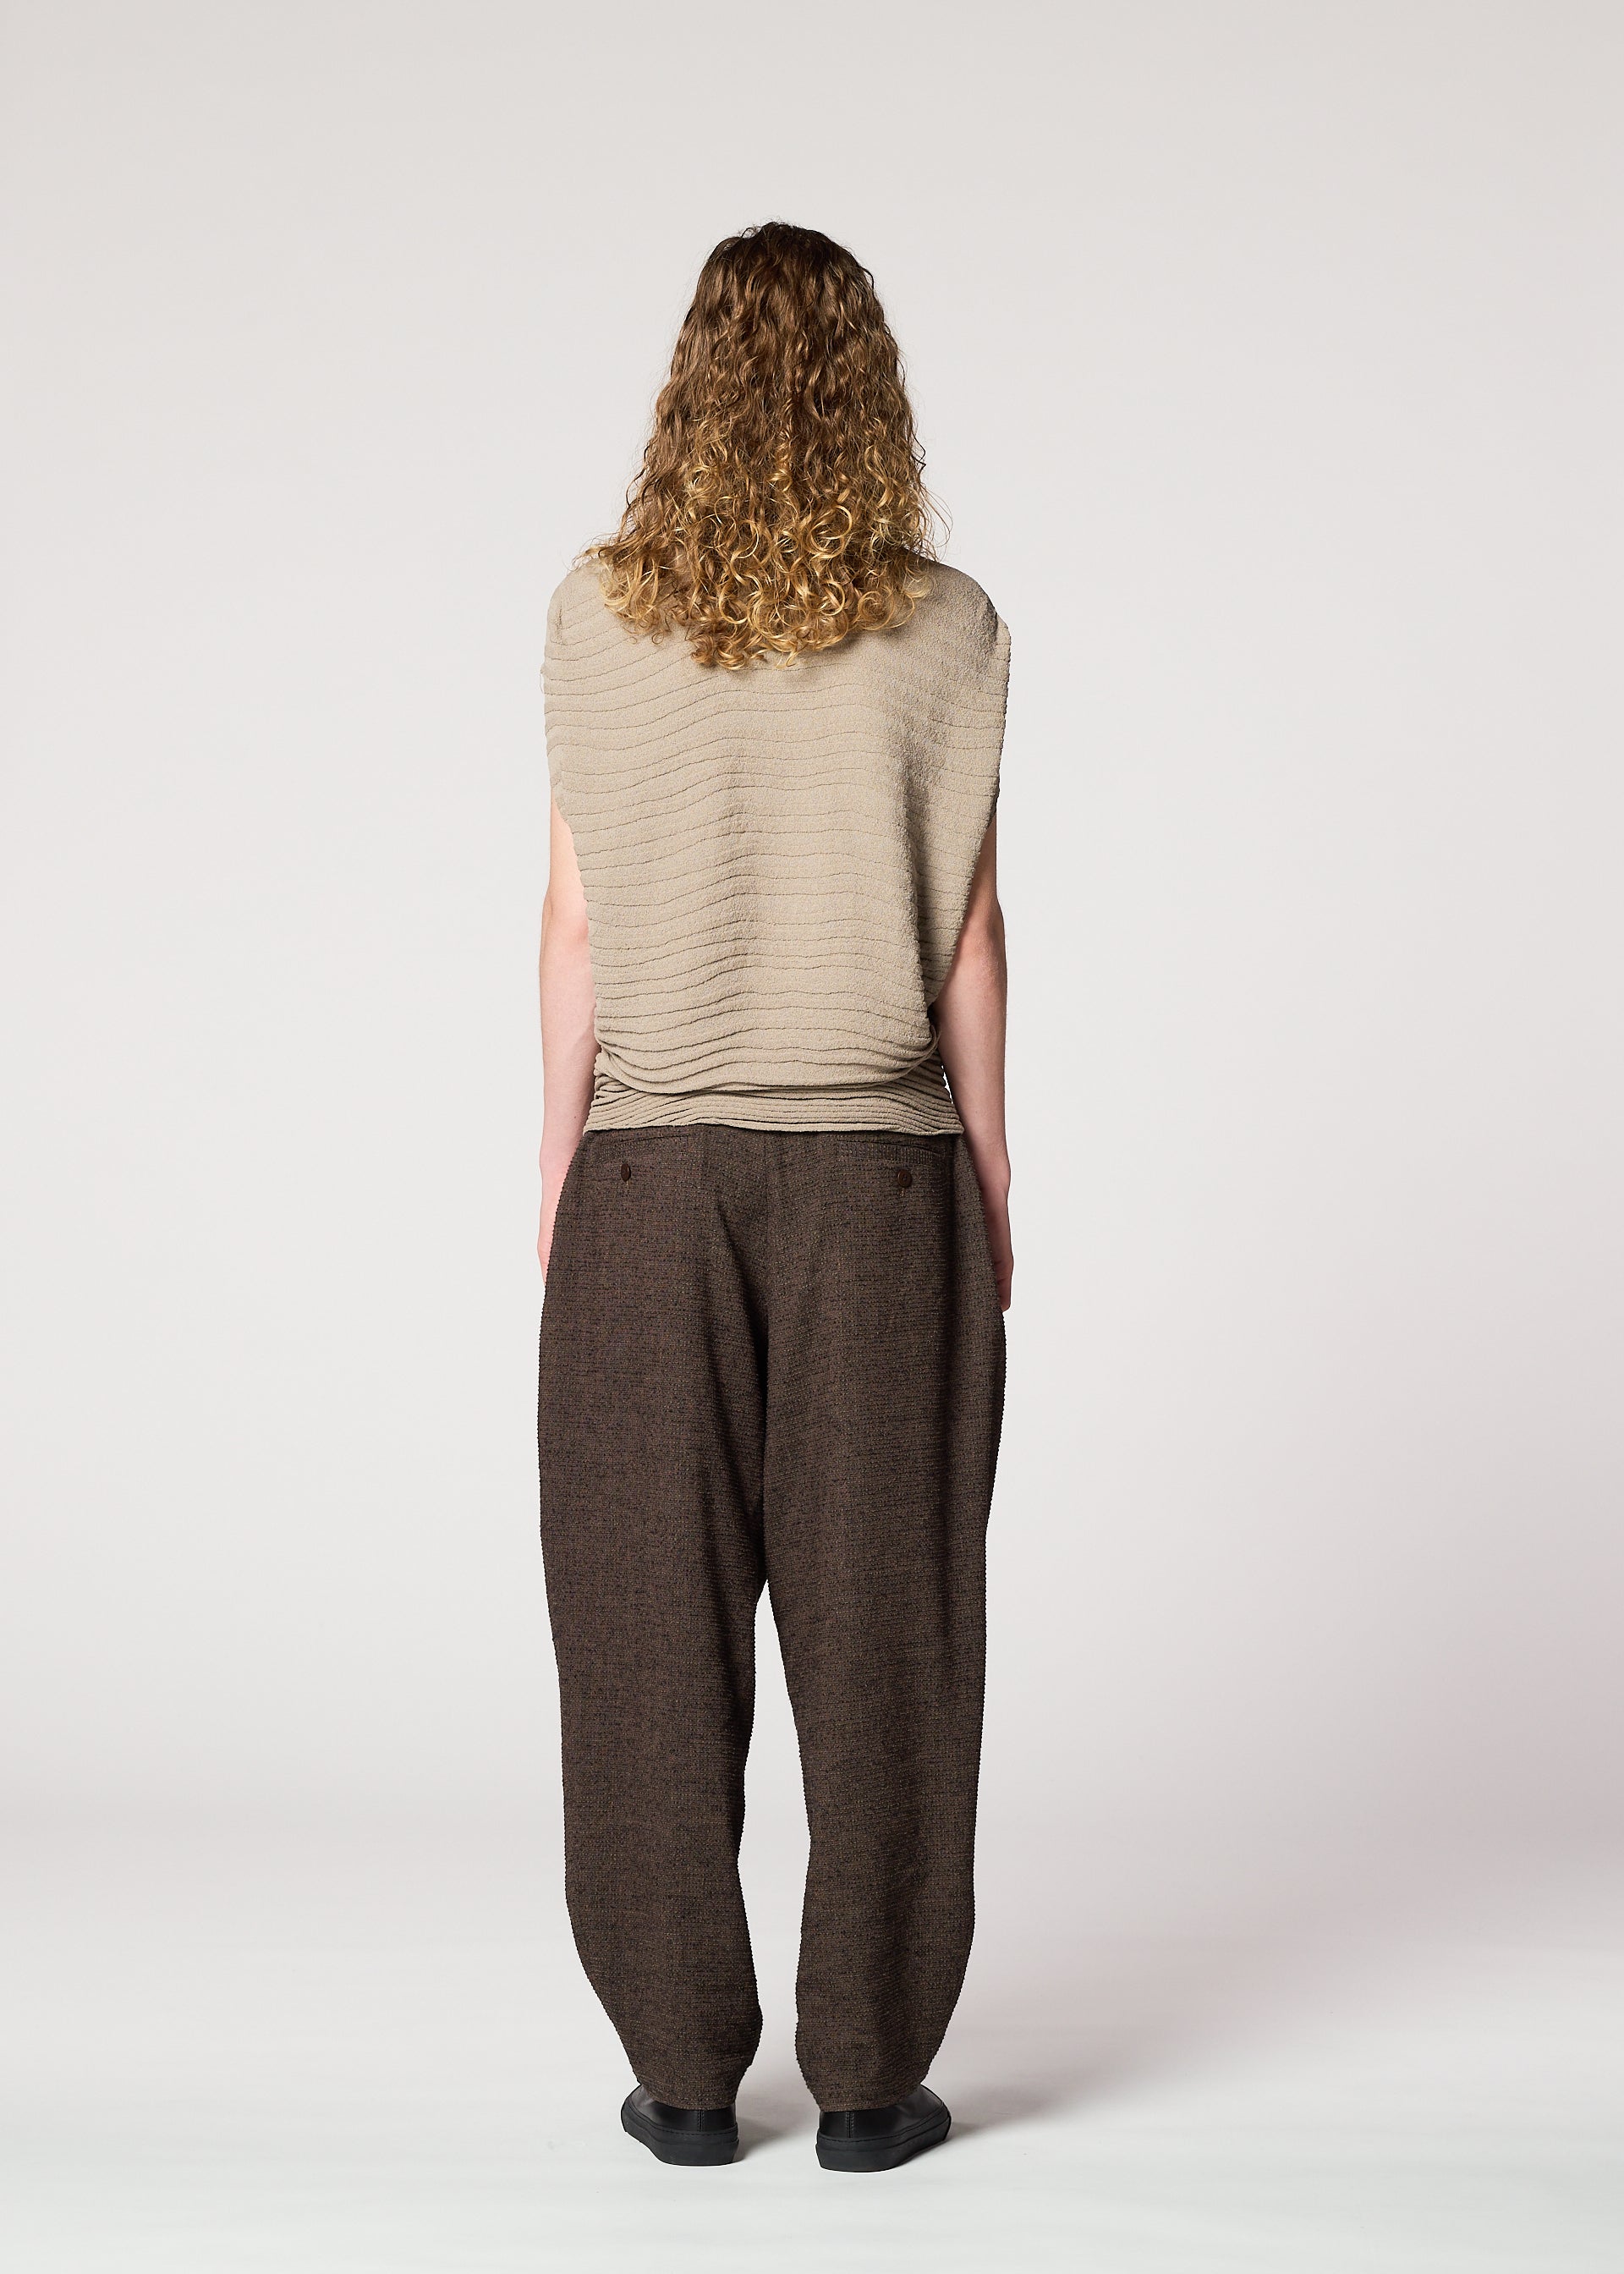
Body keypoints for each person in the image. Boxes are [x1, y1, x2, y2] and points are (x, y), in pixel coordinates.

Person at [535, 222, 1012, 2174]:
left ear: (686, 391)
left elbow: (570, 922)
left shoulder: (590, 614)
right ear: (872, 388)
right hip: (883, 1185)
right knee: (890, 1628)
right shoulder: (958, 629)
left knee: (645, 1635)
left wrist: (559, 1194)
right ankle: (877, 2082)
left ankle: (679, 2075)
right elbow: (971, 936)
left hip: (650, 1181)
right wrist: (996, 1186)